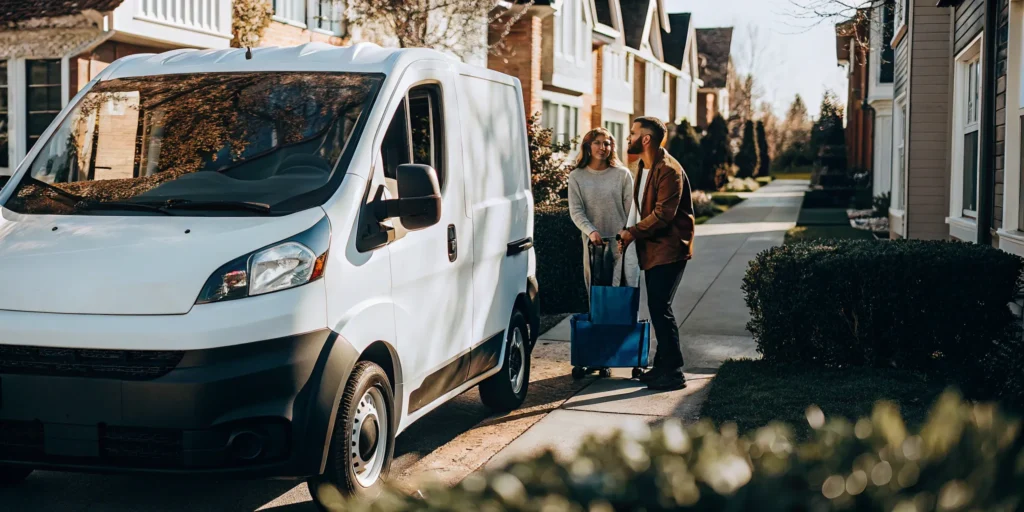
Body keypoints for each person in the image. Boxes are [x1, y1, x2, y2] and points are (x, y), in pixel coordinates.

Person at [618, 116, 695, 391]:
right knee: (658, 308)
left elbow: (663, 215)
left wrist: (632, 233)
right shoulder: (644, 165)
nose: (629, 137)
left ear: (646, 139)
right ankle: (661, 367)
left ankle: (674, 372)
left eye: (633, 133)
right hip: (653, 248)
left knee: (660, 309)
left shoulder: (669, 170)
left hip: (670, 248)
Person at [567, 128, 637, 290]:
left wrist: (627, 233)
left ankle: (625, 317)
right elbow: (576, 211)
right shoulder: (576, 176)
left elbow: (631, 210)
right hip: (594, 243)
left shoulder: (622, 174)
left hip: (622, 242)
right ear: (587, 147)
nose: (602, 147)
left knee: (625, 289)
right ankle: (600, 317)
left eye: (607, 143)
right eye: (597, 143)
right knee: (597, 291)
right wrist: (591, 231)